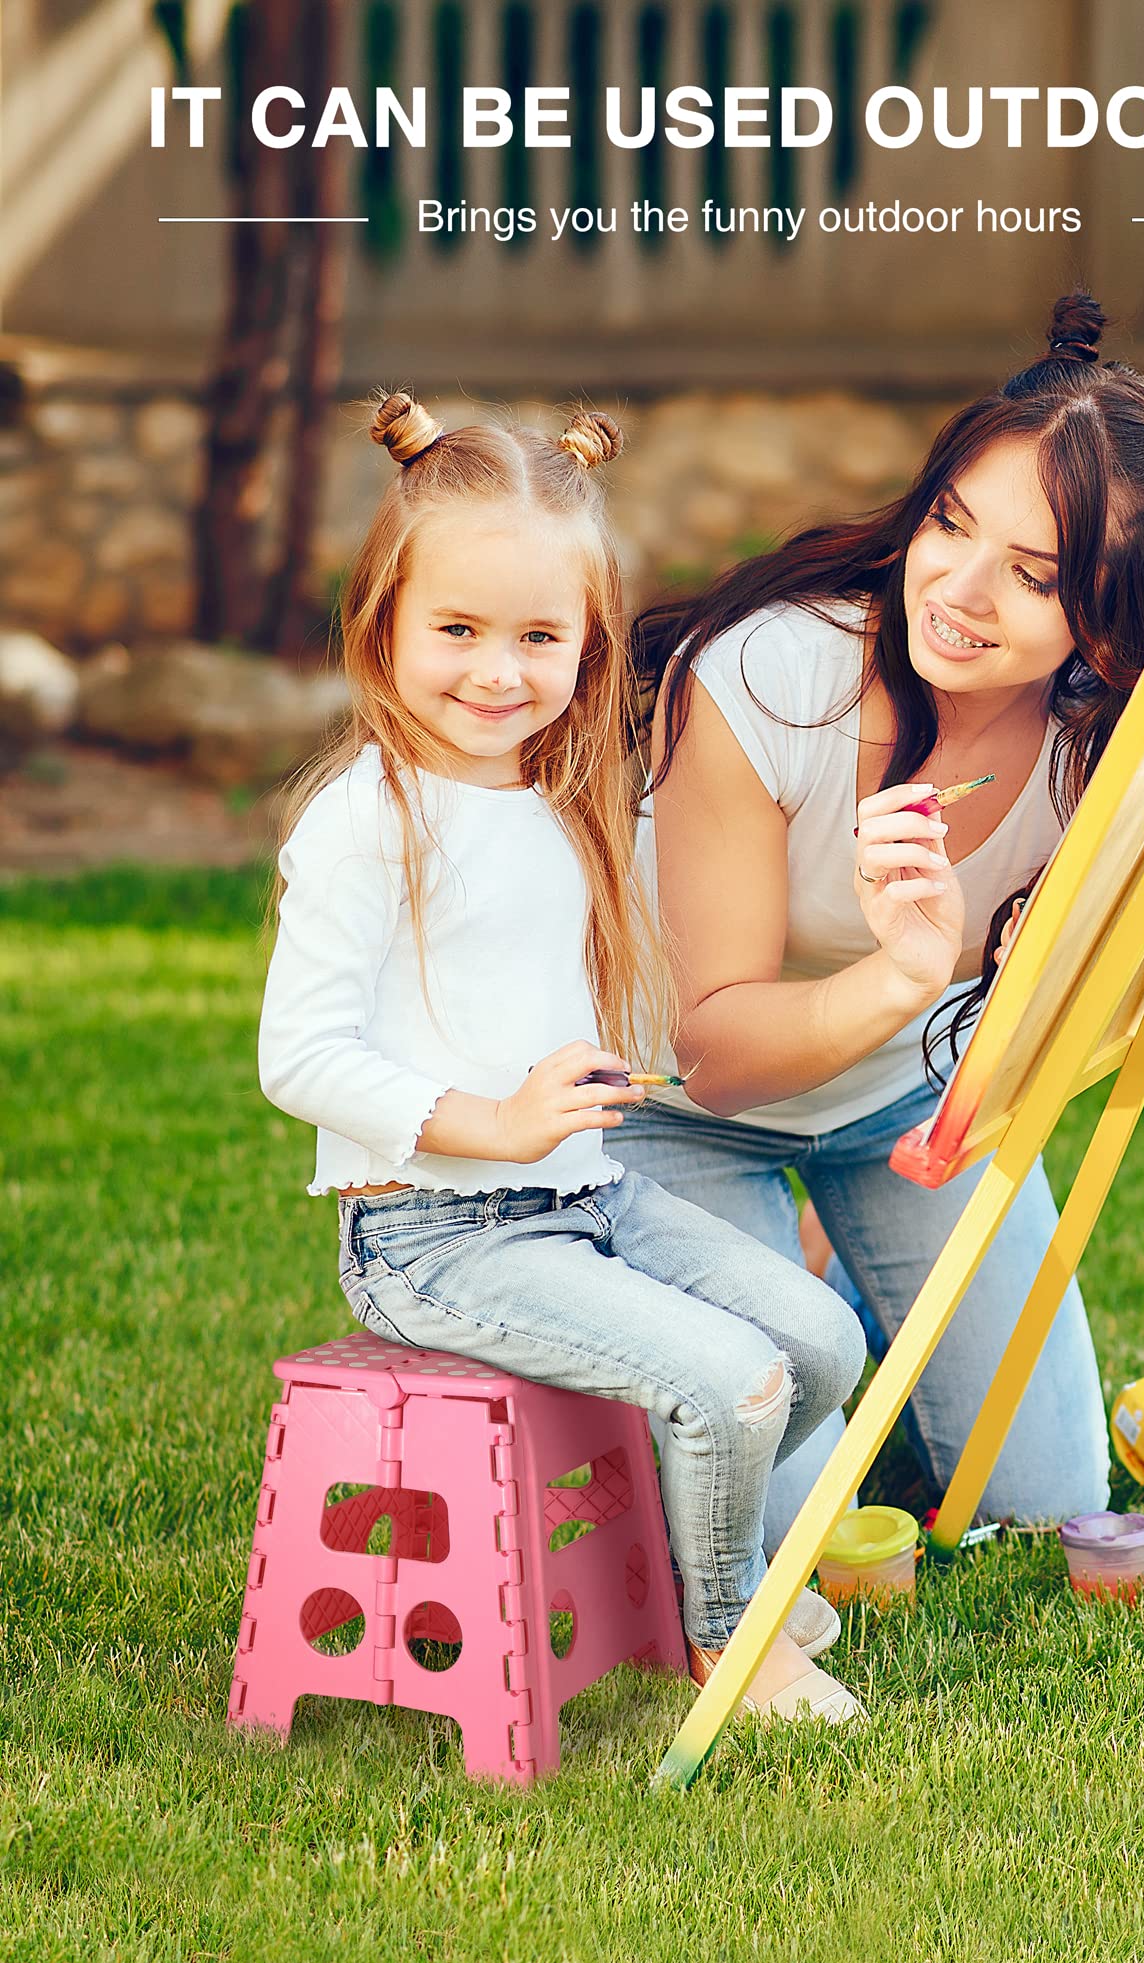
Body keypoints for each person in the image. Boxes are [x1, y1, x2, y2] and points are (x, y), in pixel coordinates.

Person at [258, 391, 867, 1722]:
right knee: (735, 1379)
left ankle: (711, 1560)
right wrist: (493, 1118)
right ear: (383, 628)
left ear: (589, 646)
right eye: (458, 631)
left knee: (822, 1339)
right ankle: (725, 1642)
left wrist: (608, 1081)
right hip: (434, 1238)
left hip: (588, 1199)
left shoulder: (553, 798)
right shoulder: (367, 824)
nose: (497, 671)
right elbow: (298, 1058)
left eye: (539, 637)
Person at [623, 292, 1144, 1547]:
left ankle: (865, 1283)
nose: (960, 591)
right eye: (950, 524)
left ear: (1107, 623)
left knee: (1053, 1505)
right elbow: (718, 1053)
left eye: (1033, 575)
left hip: (904, 1110)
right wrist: (908, 975)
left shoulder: (1101, 745)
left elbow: (1126, 993)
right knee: (776, 1539)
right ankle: (808, 1302)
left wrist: (1049, 988)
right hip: (670, 1111)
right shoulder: (765, 674)